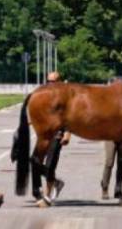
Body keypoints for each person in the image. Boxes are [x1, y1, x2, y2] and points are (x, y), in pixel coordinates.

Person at [44, 72, 71, 200]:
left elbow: (69, 118)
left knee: (49, 165)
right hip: (44, 136)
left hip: (57, 135)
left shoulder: (64, 99)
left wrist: (67, 134)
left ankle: (46, 195)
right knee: (35, 163)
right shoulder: (44, 96)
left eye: (53, 82)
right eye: (48, 81)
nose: (50, 84)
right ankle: (56, 183)